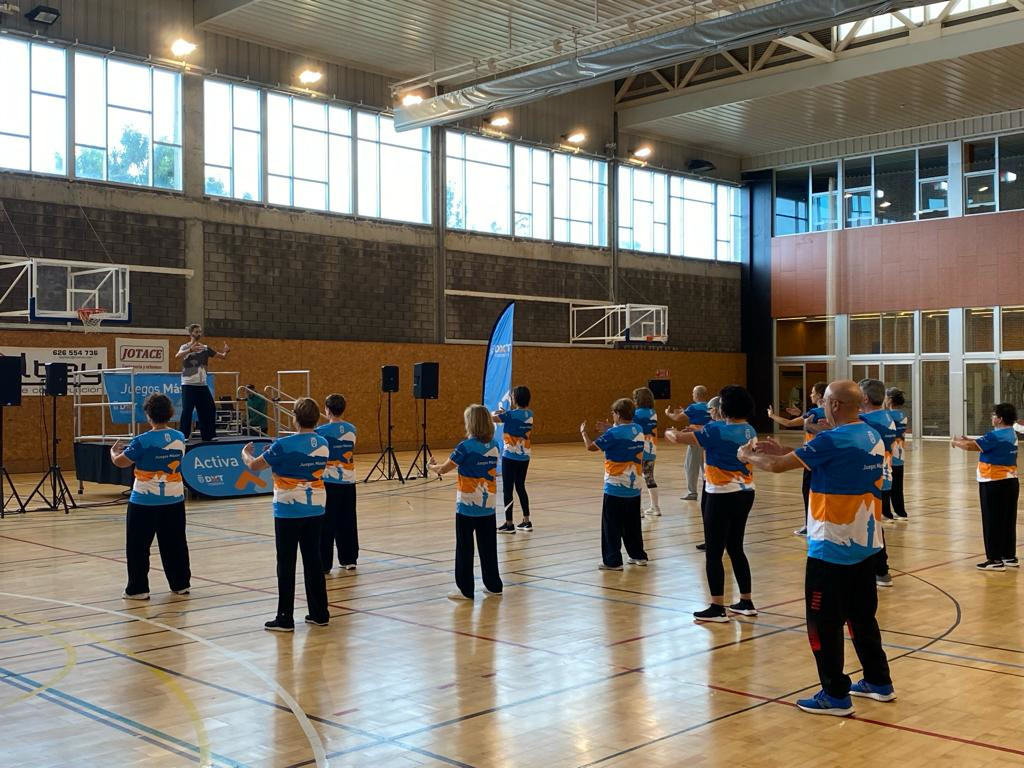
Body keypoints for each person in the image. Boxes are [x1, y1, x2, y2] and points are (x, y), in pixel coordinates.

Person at [739, 380, 893, 716]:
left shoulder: (832, 439)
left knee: (822, 623)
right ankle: (878, 681)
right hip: (866, 546)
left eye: (824, 401)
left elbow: (779, 468)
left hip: (832, 548)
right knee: (862, 616)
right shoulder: (870, 436)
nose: (821, 406)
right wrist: (781, 450)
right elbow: (817, 458)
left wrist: (747, 455)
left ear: (835, 405)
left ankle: (835, 694)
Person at [666, 386, 757, 622]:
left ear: (723, 407)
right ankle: (746, 601)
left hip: (720, 494)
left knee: (714, 552)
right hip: (745, 491)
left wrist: (670, 431)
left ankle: (717, 607)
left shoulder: (714, 429)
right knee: (736, 547)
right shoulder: (749, 429)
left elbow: (678, 438)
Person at [241, 397, 330, 632]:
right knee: (313, 559)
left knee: (287, 562)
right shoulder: (323, 443)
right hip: (316, 506)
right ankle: (320, 613)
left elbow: (255, 466)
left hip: (288, 509)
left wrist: (245, 454)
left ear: (295, 418)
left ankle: (285, 618)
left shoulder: (283, 444)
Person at [110, 393, 190, 600]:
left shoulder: (141, 441)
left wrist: (113, 453)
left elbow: (121, 462)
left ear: (148, 415)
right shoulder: (179, 437)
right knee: (175, 543)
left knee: (138, 546)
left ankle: (138, 588)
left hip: (144, 501)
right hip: (174, 499)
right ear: (170, 413)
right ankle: (180, 583)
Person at [429, 405, 503, 600]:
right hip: (488, 506)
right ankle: (494, 585)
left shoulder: (465, 447)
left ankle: (465, 589)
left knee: (465, 547)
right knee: (488, 546)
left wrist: (431, 466)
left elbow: (444, 469)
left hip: (467, 507)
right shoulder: (495, 445)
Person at [581, 398, 648, 571]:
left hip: (615, 487)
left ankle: (613, 561)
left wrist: (583, 433)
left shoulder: (612, 434)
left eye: (613, 413)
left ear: (617, 414)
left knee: (611, 526)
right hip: (634, 488)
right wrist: (610, 428)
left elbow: (591, 447)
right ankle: (638, 555)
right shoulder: (638, 429)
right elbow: (625, 435)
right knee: (632, 524)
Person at [952, 403, 1020, 570]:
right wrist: (970, 440)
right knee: (1007, 521)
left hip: (993, 482)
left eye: (993, 414)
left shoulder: (994, 436)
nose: (992, 417)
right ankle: (1009, 556)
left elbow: (970, 447)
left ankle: (995, 560)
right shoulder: (1011, 433)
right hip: (1011, 482)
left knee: (992, 521)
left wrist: (956, 442)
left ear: (1000, 419)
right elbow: (981, 444)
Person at [769, 381, 828, 536]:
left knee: (807, 492)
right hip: (826, 458)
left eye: (813, 392)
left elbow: (788, 423)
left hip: (810, 458)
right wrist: (801, 413)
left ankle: (809, 525)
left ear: (820, 395)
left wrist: (772, 415)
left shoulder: (813, 413)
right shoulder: (831, 413)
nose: (811, 395)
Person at [858, 379, 897, 588]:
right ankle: (880, 570)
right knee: (873, 524)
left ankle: (880, 570)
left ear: (864, 398)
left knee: (871, 525)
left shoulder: (866, 420)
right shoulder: (886, 417)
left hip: (871, 478)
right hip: (883, 475)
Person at [317, 394, 358, 573]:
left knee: (327, 523)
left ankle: (325, 564)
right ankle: (349, 559)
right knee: (347, 519)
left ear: (327, 410)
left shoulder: (320, 431)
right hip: (349, 480)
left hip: (329, 481)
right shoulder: (352, 428)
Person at [176, 323, 230, 442]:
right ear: (191, 333)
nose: (198, 334)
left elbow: (221, 356)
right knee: (187, 410)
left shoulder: (205, 348)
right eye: (196, 332)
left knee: (209, 408)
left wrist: (226, 351)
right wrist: (190, 350)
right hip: (188, 384)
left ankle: (209, 435)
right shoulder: (184, 347)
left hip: (202, 385)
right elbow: (177, 355)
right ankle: (183, 436)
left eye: (200, 332)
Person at [494, 386, 534, 533]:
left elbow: (493, 418)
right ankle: (526, 520)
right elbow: (515, 418)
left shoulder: (510, 415)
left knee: (507, 489)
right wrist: (506, 414)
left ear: (515, 398)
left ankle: (509, 523)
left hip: (510, 457)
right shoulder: (529, 413)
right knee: (520, 486)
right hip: (524, 457)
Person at [665, 385, 711, 501]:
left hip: (695, 439)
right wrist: (684, 411)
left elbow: (677, 418)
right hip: (708, 439)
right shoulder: (710, 407)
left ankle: (692, 493)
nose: (692, 395)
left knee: (690, 466)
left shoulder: (693, 407)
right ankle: (709, 489)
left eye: (693, 393)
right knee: (705, 466)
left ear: (697, 394)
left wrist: (668, 414)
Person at [632, 386, 661, 517]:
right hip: (651, 449)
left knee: (636, 478)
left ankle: (638, 510)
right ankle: (655, 507)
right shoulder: (653, 412)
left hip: (639, 450)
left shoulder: (637, 414)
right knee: (649, 477)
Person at [885, 388, 909, 522]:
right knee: (898, 486)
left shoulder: (888, 416)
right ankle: (901, 512)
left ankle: (887, 512)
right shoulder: (902, 414)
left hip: (890, 455)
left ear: (890, 400)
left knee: (887, 484)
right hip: (900, 455)